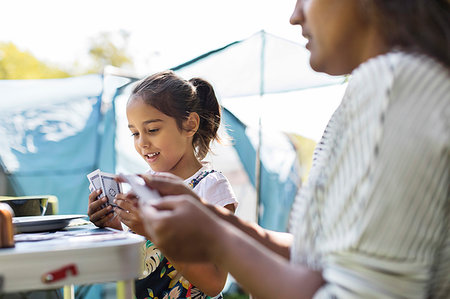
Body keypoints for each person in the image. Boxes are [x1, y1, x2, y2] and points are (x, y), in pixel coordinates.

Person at [132, 0, 450, 298]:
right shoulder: (381, 85)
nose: (294, 15)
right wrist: (214, 220)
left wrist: (215, 237)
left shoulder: (394, 84)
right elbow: (318, 256)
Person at [87, 70, 238, 299]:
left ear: (190, 125)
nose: (142, 143)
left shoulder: (211, 188)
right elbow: (142, 263)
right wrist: (113, 225)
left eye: (152, 130)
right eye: (135, 133)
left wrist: (152, 231)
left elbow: (215, 282)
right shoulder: (142, 186)